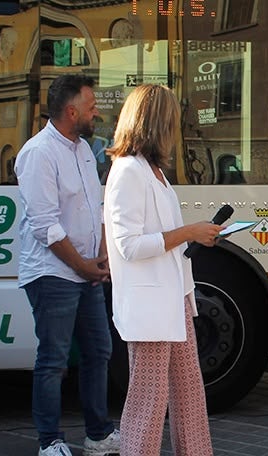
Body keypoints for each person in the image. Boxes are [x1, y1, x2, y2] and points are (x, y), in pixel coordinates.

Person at [103, 84, 218, 456]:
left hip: (173, 298)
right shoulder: (129, 171)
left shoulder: (152, 170)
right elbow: (129, 245)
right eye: (172, 119)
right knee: (148, 400)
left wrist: (195, 235)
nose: (176, 127)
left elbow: (157, 237)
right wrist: (189, 233)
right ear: (156, 122)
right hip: (150, 304)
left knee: (189, 392)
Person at [14, 74, 120, 456]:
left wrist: (101, 256)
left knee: (99, 352)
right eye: (91, 107)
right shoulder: (38, 153)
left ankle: (98, 435)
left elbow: (96, 207)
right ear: (71, 112)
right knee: (53, 361)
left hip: (86, 271)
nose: (97, 114)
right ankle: (50, 441)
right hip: (53, 273)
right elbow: (46, 226)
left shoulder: (84, 150)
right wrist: (83, 265)